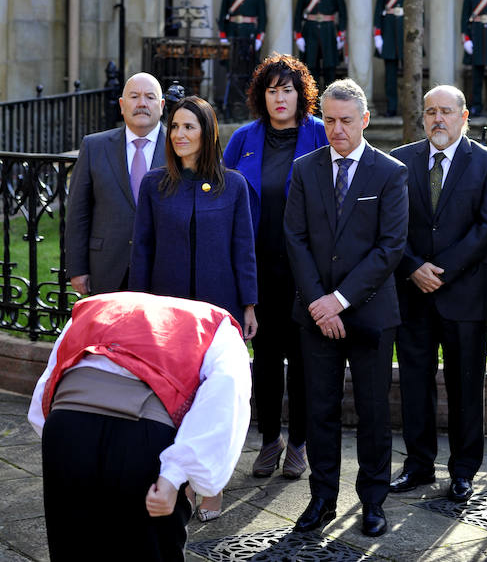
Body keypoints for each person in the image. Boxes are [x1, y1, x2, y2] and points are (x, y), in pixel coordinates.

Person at [28, 291, 251, 562]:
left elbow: (51, 378)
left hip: (66, 427)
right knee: (150, 550)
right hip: (143, 437)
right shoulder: (216, 324)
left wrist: (57, 439)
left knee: (73, 546)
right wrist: (174, 475)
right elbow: (225, 395)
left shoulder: (92, 307)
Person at [284, 78, 408, 538]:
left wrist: (339, 300)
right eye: (330, 120)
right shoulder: (304, 169)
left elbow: (391, 246)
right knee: (320, 410)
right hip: (315, 313)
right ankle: (321, 499)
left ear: (365, 120)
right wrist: (321, 303)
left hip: (371, 313)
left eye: (346, 121)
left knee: (375, 411)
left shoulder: (390, 172)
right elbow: (294, 239)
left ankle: (373, 501)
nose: (337, 130)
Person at [129, 95, 258, 520]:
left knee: (216, 401)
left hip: (218, 314)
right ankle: (179, 480)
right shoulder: (153, 185)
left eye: (190, 127)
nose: (180, 135)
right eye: (176, 127)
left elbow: (244, 249)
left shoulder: (233, 184)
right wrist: (138, 306)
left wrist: (249, 306)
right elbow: (142, 250)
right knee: (174, 399)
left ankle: (213, 485)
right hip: (168, 316)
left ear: (207, 133)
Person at [390, 85, 487, 503]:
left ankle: (463, 471)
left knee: (465, 387)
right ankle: (418, 466)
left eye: (446, 111)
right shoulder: (401, 162)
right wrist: (413, 267)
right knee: (415, 386)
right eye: (430, 112)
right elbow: (391, 228)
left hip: (465, 296)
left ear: (464, 116)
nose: (438, 119)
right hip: (413, 293)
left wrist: (441, 272)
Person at [223, 53, 328, 480]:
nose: (280, 98)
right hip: (258, 269)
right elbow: (224, 202)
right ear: (260, 96)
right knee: (264, 359)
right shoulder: (242, 139)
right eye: (272, 90)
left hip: (308, 271)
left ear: (301, 94)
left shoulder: (321, 135)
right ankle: (269, 440)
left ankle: (299, 444)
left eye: (287, 89)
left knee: (304, 359)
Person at [65, 72, 166, 295]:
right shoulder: (94, 147)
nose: (142, 103)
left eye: (150, 97)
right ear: (122, 105)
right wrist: (77, 268)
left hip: (164, 270)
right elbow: (77, 213)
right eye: (134, 96)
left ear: (161, 105)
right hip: (107, 269)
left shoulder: (179, 148)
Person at [294, 0, 347, 89]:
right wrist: (298, 36)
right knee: (311, 69)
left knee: (330, 68)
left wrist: (341, 34)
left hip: (328, 31)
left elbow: (343, 14)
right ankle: (313, 106)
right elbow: (297, 15)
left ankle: (329, 104)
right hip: (310, 31)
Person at [373, 0, 405, 117]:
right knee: (390, 76)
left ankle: (409, 108)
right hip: (390, 36)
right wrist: (378, 36)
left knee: (411, 75)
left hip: (407, 37)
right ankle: (391, 107)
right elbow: (378, 13)